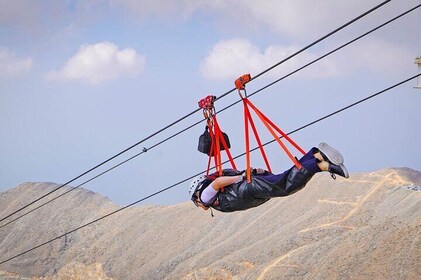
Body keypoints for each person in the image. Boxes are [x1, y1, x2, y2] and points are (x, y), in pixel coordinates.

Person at [189, 142, 349, 213]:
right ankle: (320, 161)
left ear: (197, 196)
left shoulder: (204, 196)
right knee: (285, 178)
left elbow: (217, 183)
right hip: (250, 188)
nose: (199, 206)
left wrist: (241, 177)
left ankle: (319, 159)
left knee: (287, 186)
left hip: (249, 188)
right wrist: (245, 175)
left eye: (196, 203)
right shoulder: (213, 198)